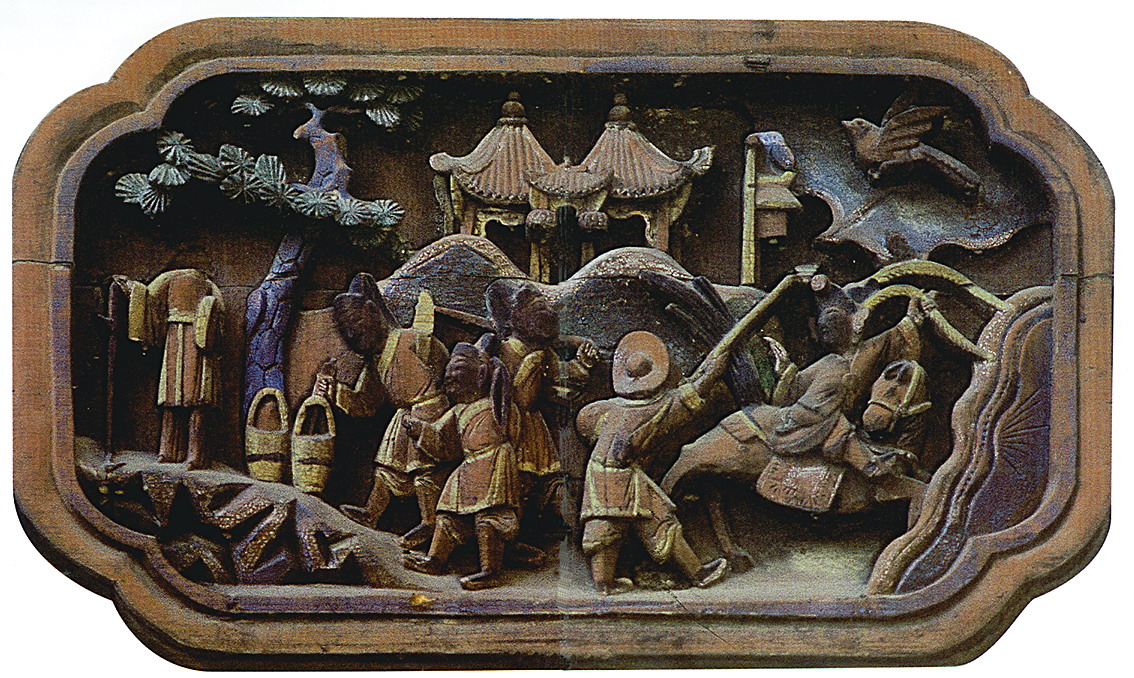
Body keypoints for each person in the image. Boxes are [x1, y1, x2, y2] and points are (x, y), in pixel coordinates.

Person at [575, 330, 730, 595]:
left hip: (606, 471)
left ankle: (694, 572)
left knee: (653, 519)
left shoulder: (609, 408)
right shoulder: (653, 408)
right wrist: (713, 373)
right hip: (619, 475)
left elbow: (585, 423)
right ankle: (604, 583)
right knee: (613, 525)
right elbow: (689, 397)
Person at [401, 343, 521, 591]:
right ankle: (435, 559)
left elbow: (514, 431)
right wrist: (420, 429)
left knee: (489, 518)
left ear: (480, 375)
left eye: (457, 372)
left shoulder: (495, 405)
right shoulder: (457, 411)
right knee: (447, 514)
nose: (450, 379)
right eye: (448, 375)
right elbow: (440, 438)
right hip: (468, 466)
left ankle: (490, 570)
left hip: (493, 464)